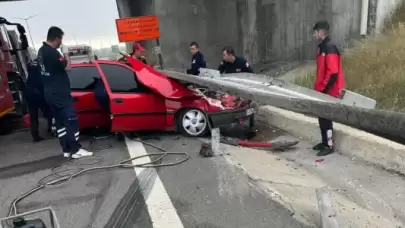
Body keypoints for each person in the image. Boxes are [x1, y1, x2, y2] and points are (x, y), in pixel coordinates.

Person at [37, 26, 93, 159]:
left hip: (49, 93)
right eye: (61, 39)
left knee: (60, 122)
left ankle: (66, 149)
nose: (61, 42)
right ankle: (75, 149)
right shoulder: (52, 52)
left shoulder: (41, 51)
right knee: (71, 120)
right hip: (60, 93)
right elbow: (68, 67)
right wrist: (66, 53)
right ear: (57, 38)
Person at [312, 21, 345, 157]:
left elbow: (333, 72)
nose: (314, 35)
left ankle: (329, 145)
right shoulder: (322, 47)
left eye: (315, 32)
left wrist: (324, 90)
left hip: (329, 90)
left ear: (320, 32)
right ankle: (324, 142)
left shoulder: (330, 47)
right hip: (322, 89)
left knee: (326, 118)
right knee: (322, 117)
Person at [26, 59, 53, 142]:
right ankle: (50, 128)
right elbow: (42, 82)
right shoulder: (40, 70)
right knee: (49, 112)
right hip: (39, 95)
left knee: (33, 116)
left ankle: (35, 135)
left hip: (30, 95)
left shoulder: (30, 73)